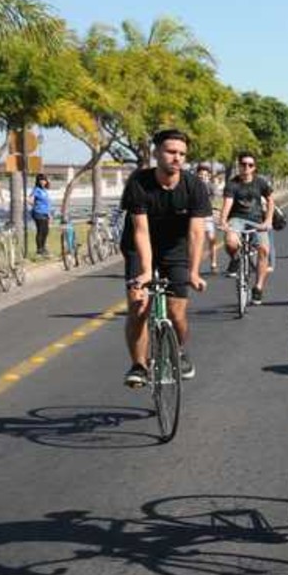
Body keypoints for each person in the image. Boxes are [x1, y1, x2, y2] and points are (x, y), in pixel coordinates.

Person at [120, 129, 210, 386]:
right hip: (139, 246)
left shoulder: (194, 186)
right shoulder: (139, 182)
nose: (177, 158)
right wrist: (146, 272)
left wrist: (193, 272)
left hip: (176, 249)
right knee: (139, 306)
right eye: (171, 152)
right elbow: (140, 230)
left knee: (176, 311)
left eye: (182, 154)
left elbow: (195, 233)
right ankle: (138, 365)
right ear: (156, 153)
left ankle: (179, 350)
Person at [221, 152, 275, 304]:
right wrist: (223, 221)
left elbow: (270, 201)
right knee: (231, 242)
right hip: (236, 219)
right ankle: (236, 258)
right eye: (243, 164)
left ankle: (258, 288)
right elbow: (228, 203)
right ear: (239, 166)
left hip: (257, 221)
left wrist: (268, 220)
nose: (246, 167)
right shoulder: (232, 184)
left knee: (264, 250)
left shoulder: (261, 183)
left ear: (254, 167)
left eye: (250, 165)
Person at [195, 164, 221, 274]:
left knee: (211, 239)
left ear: (209, 176)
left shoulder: (211, 186)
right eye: (200, 175)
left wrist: (216, 211)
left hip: (208, 216)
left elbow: (216, 200)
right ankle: (194, 267)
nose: (202, 177)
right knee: (196, 241)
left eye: (205, 175)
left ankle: (214, 263)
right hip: (196, 217)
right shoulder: (193, 186)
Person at [28, 173, 53, 258]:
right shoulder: (36, 189)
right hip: (38, 213)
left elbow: (47, 204)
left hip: (45, 213)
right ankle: (39, 250)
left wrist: (49, 214)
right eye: (41, 180)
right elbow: (29, 198)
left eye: (44, 180)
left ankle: (43, 248)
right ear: (38, 181)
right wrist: (34, 205)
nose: (43, 182)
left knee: (46, 231)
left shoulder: (44, 190)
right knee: (41, 231)